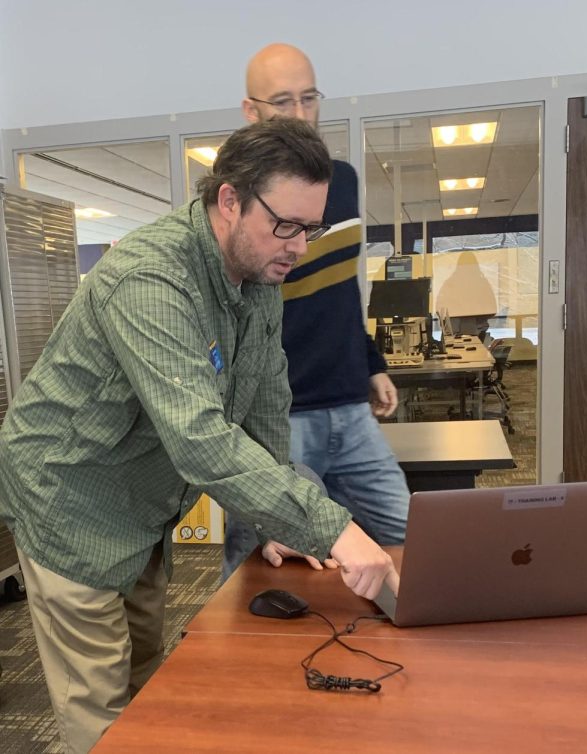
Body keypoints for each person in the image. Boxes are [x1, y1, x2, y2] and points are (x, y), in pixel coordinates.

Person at [0, 118, 397, 754]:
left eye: (312, 228)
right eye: (285, 225)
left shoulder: (258, 274)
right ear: (230, 199)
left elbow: (268, 406)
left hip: (143, 502)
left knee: (149, 681)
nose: (299, 246)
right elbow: (202, 440)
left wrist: (278, 525)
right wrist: (333, 529)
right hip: (68, 502)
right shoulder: (151, 279)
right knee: (102, 714)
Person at [223, 43, 410, 579]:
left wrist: (371, 361)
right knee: (263, 563)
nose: (301, 115)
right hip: (276, 416)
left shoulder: (342, 182)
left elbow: (340, 290)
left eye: (309, 98)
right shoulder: (235, 201)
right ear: (251, 111)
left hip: (350, 407)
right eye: (284, 102)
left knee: (404, 537)